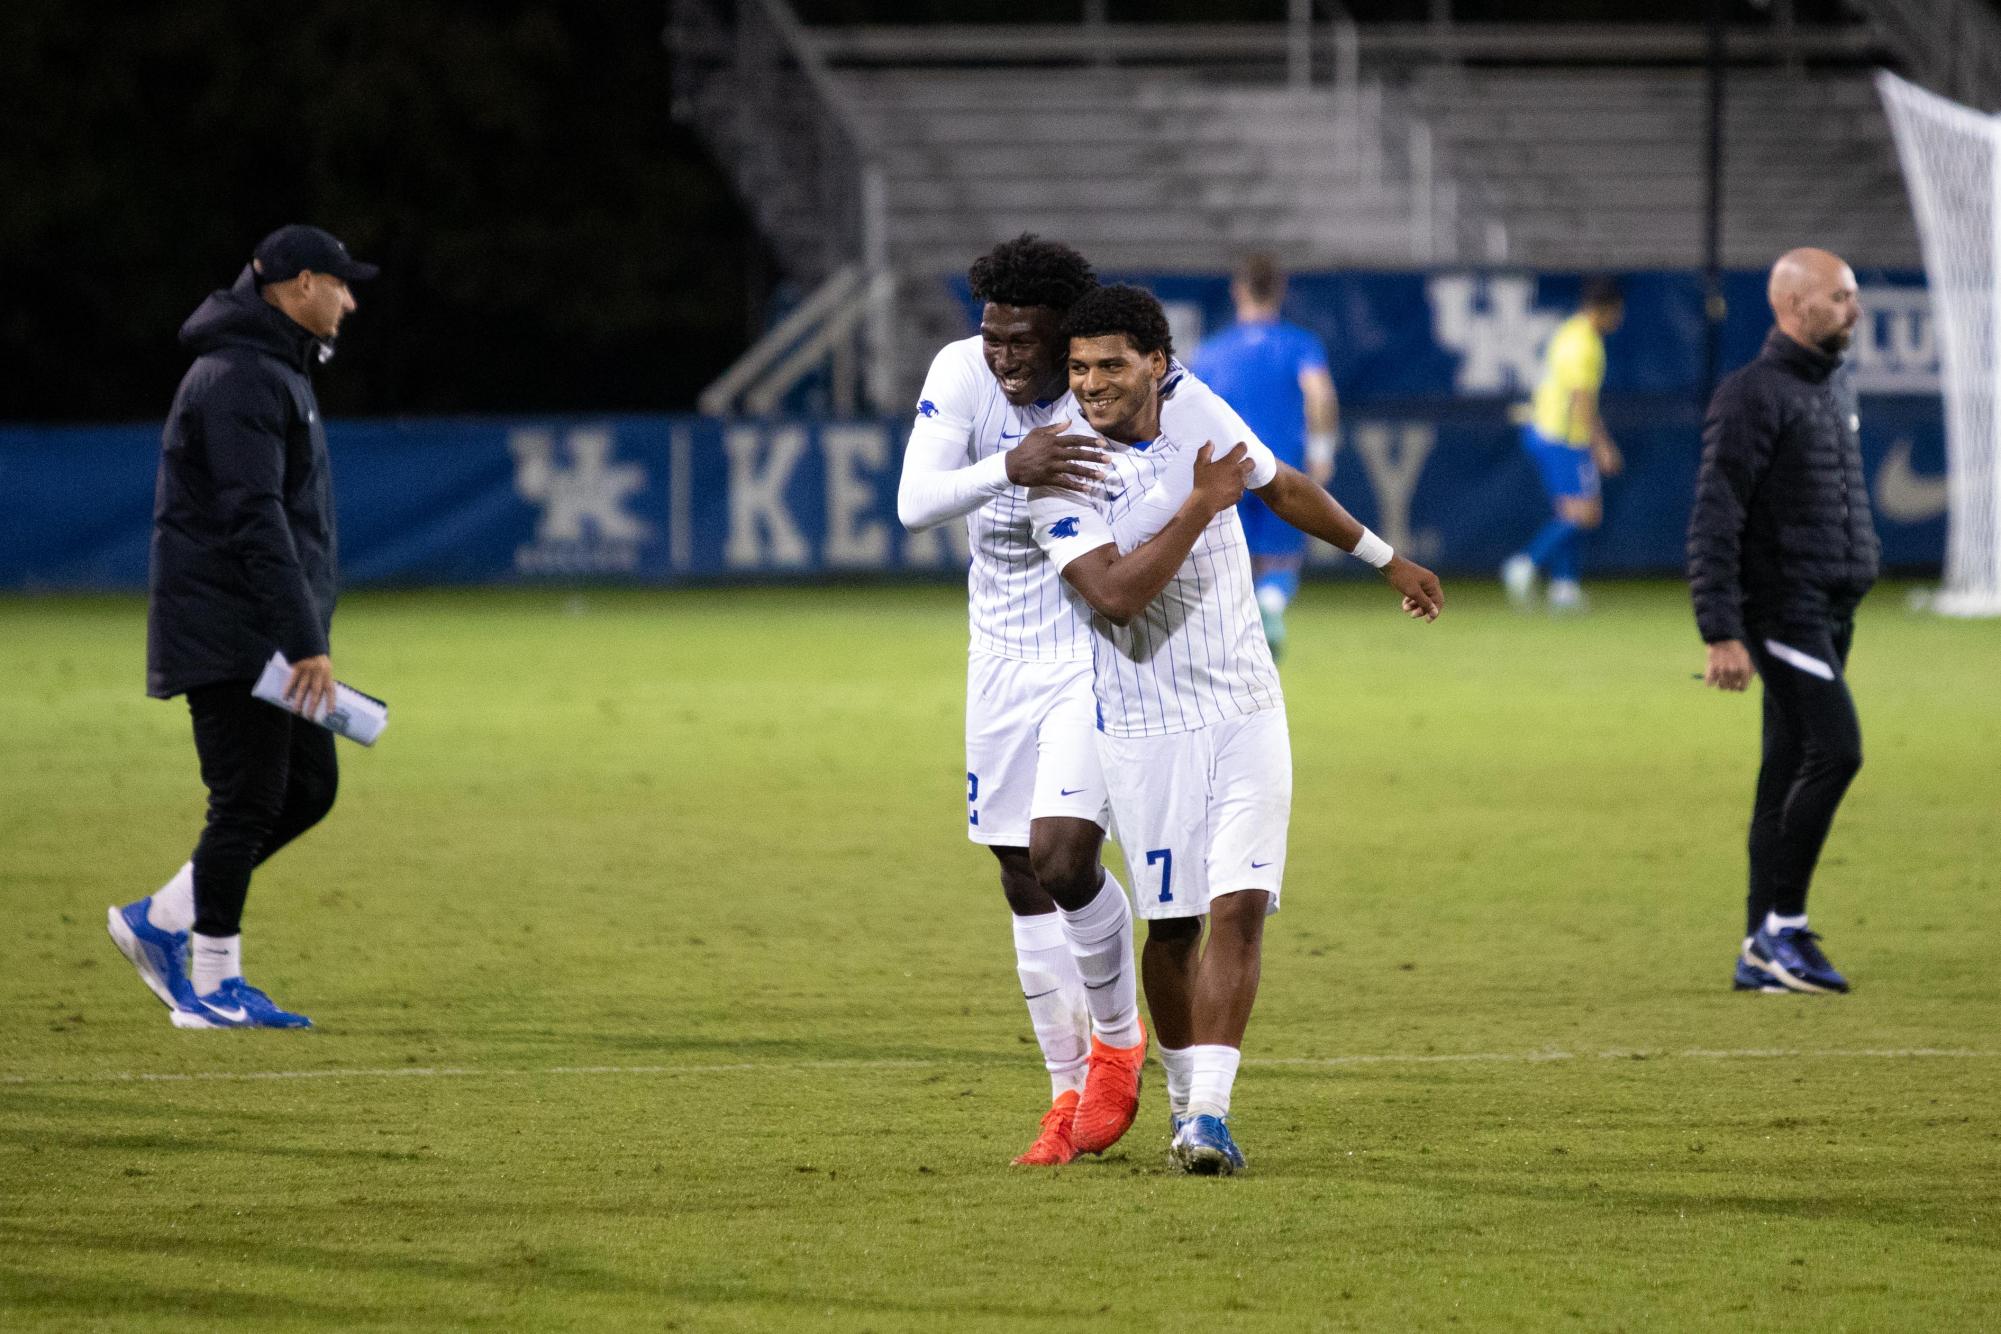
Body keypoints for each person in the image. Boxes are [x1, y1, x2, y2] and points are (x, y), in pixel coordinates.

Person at [1029, 284, 1441, 1174]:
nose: (1090, 384)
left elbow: (1282, 485)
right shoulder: (1055, 469)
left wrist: (1384, 559)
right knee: (1172, 929)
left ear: (1156, 363)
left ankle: (1208, 1115)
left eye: (1108, 365)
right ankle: (1182, 1102)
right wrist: (1200, 506)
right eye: (1077, 367)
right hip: (1143, 724)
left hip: (1246, 704)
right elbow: (1111, 596)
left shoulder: (1196, 406)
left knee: (1240, 907)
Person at [896, 235, 1146, 1166]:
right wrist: (1012, 465)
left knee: (1064, 856)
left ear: (1066, 333)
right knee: (1020, 873)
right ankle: (1065, 1093)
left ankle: (1119, 1041)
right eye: (992, 336)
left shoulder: (1109, 383)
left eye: (1022, 341)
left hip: (1092, 651)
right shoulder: (962, 373)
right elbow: (915, 502)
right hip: (998, 660)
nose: (1003, 356)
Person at [108, 224, 377, 1030]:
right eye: (340, 283)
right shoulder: (240, 377)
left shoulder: (271, 369)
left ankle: (159, 920)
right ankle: (215, 983)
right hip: (234, 631)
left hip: (259, 629)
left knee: (308, 789)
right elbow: (254, 519)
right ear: (298, 285)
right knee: (248, 800)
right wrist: (305, 641)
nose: (350, 299)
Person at [1688, 247, 1877, 996]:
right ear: (1794, 308)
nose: (1852, 309)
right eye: (1839, 297)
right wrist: (1719, 627)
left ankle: (1755, 949)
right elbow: (1714, 512)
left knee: (1785, 768)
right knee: (1837, 752)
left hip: (1828, 610)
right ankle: (1783, 928)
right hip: (1783, 610)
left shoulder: (1825, 390)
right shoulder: (1751, 394)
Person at [1188, 254, 1338, 661]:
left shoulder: (1211, 352)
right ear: (1280, 290)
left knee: (1233, 559)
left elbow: (1191, 409)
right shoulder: (1300, 344)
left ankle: (1235, 638)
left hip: (1228, 469)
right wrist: (1321, 450)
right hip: (1281, 469)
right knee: (1280, 559)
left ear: (1238, 290)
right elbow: (1319, 393)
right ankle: (1271, 610)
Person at [1502, 278, 1624, 612]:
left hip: (1543, 429)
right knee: (1585, 512)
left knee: (1569, 512)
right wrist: (1601, 446)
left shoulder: (1569, 331)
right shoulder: (1585, 345)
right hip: (1563, 436)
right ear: (1606, 309)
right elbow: (1581, 400)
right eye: (1617, 312)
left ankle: (1564, 587)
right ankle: (1525, 564)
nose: (1619, 319)